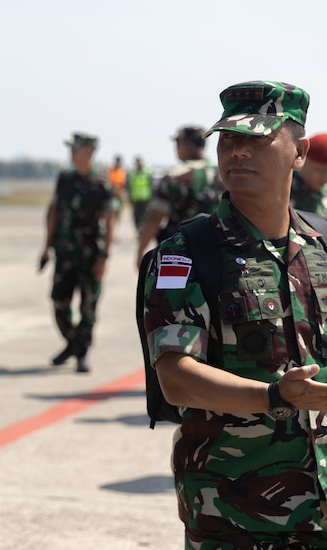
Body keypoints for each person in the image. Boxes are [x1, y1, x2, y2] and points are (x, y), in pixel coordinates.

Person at [141, 80, 327, 547]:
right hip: (235, 514)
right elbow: (176, 377)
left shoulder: (322, 246)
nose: (238, 152)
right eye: (229, 139)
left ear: (299, 151)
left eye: (257, 138)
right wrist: (276, 396)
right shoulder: (188, 253)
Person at [39, 132, 116, 373]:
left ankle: (82, 352)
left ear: (90, 152)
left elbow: (110, 221)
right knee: (58, 302)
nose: (71, 154)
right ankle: (73, 342)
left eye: (76, 149)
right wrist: (46, 247)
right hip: (65, 253)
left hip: (91, 255)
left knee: (88, 307)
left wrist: (104, 257)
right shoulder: (65, 179)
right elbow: (54, 213)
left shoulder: (102, 183)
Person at [135, 125, 221, 267]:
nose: (176, 148)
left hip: (179, 256)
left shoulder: (176, 176)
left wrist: (140, 251)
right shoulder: (222, 175)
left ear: (188, 144)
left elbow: (155, 217)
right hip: (216, 253)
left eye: (177, 143)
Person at [289, 132, 327, 215]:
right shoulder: (283, 189)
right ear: (303, 160)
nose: (325, 177)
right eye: (319, 170)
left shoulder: (324, 192)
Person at [127, 155, 153, 229]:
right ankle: (138, 229)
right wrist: (130, 196)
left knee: (145, 215)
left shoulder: (147, 172)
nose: (139, 164)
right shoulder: (133, 173)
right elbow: (129, 186)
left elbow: (152, 185)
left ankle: (144, 229)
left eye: (140, 162)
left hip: (146, 198)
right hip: (136, 198)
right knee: (137, 216)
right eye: (138, 162)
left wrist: (152, 196)